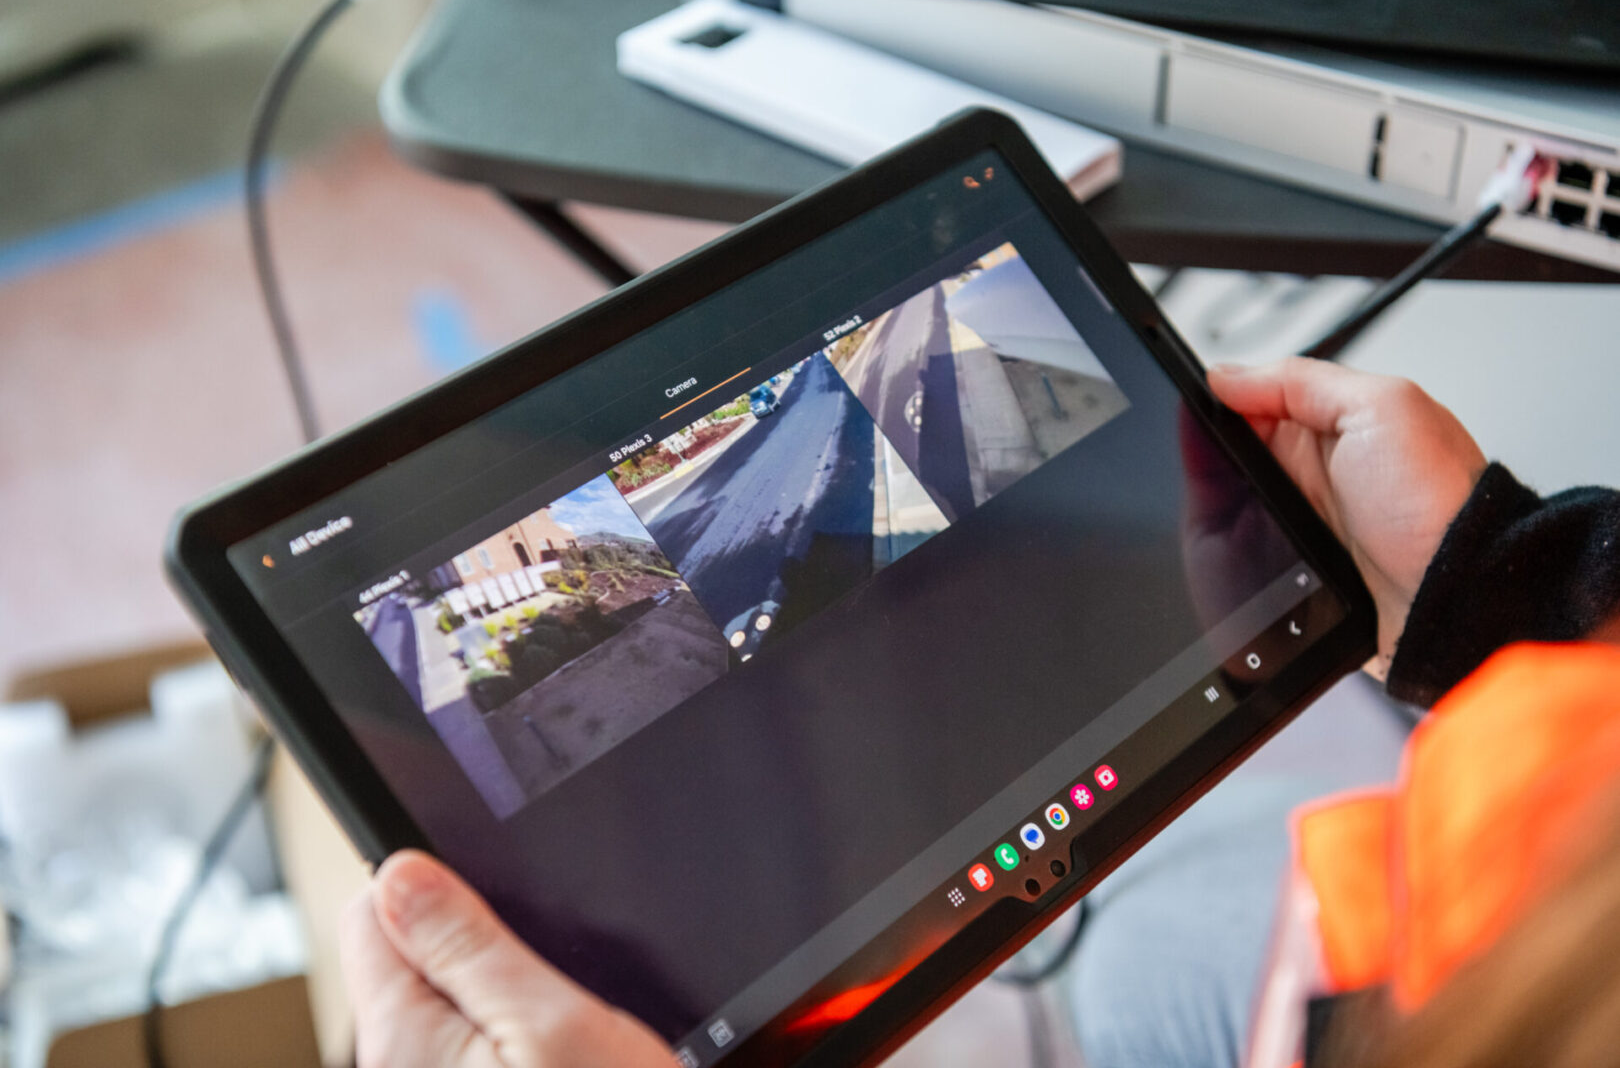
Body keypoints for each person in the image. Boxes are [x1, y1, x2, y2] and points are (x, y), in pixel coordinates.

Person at [340, 358, 1620, 1068]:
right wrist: (1501, 580)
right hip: (1467, 906)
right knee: (1138, 932)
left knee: (1136, 952)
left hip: (1450, 971)